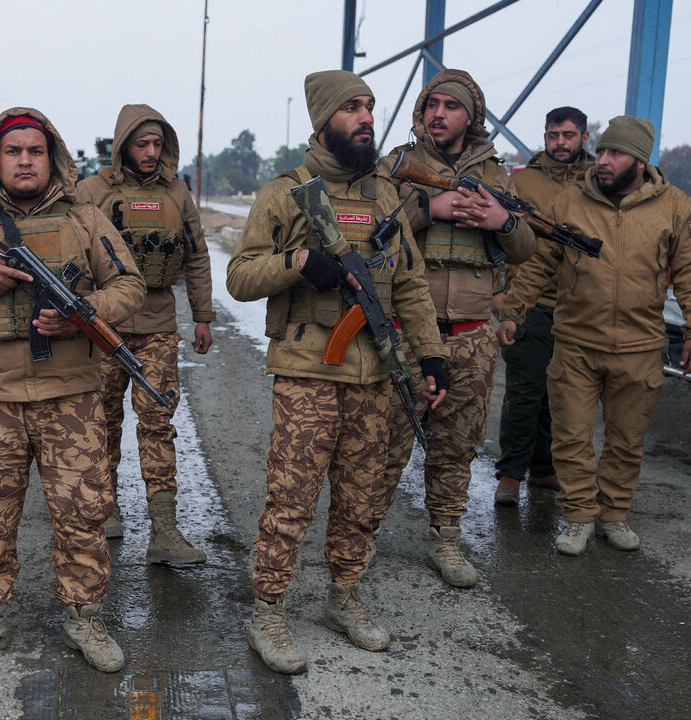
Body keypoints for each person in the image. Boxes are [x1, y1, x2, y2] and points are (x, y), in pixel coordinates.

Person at [227, 71, 448, 674]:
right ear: (324, 120)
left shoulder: (387, 195)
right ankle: (269, 609)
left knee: (360, 497)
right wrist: (300, 262)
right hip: (308, 374)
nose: (366, 117)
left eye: (370, 106)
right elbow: (240, 276)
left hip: (376, 376)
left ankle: (343, 596)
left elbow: (411, 284)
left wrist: (431, 355)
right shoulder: (285, 192)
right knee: (291, 498)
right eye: (352, 107)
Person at [0, 108, 145, 672]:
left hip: (71, 398)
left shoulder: (85, 220)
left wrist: (83, 314)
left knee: (82, 512)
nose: (24, 161)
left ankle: (85, 618)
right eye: (13, 151)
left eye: (35, 151)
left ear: (52, 159)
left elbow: (130, 285)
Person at [496, 116, 691, 556]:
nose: (604, 161)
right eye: (604, 152)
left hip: (639, 346)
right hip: (576, 340)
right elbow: (539, 263)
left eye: (616, 154)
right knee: (571, 437)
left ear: (640, 162)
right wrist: (514, 311)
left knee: (626, 439)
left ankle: (614, 514)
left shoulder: (675, 207)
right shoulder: (569, 202)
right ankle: (579, 517)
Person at [376, 69, 537, 588]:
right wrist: (429, 208)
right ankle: (359, 536)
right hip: (405, 331)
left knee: (457, 444)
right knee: (385, 441)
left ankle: (445, 539)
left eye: (451, 106)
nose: (438, 114)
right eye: (432, 105)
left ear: (471, 117)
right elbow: (371, 229)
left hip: (471, 334)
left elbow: (526, 248)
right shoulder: (395, 166)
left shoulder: (497, 176)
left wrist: (501, 222)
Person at [76, 104, 216, 563]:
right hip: (103, 326)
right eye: (142, 144)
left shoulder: (177, 192)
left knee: (158, 421)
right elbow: (72, 254)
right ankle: (105, 509)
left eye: (157, 144)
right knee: (101, 420)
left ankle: (164, 530)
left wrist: (202, 315)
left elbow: (196, 255)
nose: (151, 152)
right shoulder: (92, 191)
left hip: (157, 324)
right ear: (124, 146)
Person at [493, 106, 593, 505]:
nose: (560, 142)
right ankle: (510, 476)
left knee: (560, 396)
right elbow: (496, 235)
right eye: (553, 135)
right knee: (524, 393)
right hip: (528, 301)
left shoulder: (596, 182)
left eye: (569, 135)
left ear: (584, 137)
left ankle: (544, 468)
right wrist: (498, 291)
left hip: (578, 304)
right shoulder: (522, 182)